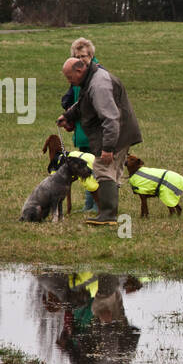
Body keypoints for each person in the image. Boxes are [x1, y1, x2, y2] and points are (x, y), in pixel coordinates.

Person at [57, 56, 143, 227]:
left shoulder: (99, 85)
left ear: (79, 71)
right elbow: (83, 103)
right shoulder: (90, 79)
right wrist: (69, 116)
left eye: (69, 77)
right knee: (111, 171)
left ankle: (108, 214)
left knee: (103, 167)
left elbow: (111, 118)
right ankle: (109, 212)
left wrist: (108, 148)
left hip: (118, 132)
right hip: (119, 130)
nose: (69, 81)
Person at [61, 38, 100, 214]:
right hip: (82, 128)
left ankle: (98, 205)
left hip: (95, 130)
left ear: (91, 56)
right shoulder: (78, 76)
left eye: (83, 56)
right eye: (77, 56)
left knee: (97, 167)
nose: (80, 59)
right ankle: (88, 205)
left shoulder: (96, 75)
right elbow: (70, 99)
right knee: (86, 168)